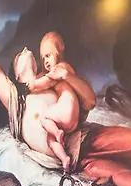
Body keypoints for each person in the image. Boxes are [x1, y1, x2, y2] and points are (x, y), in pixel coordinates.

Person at [0, 0, 131, 186]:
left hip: (84, 138)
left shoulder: (49, 80)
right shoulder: (15, 99)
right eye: (19, 55)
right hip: (74, 160)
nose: (25, 50)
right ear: (15, 74)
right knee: (130, 182)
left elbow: (89, 101)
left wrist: (68, 77)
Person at [26, 32, 88, 172]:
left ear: (59, 51)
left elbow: (46, 82)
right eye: (43, 59)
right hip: (71, 121)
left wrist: (33, 85)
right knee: (50, 139)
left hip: (67, 110)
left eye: (48, 56)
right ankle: (64, 159)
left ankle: (58, 133)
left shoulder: (62, 67)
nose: (45, 61)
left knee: (44, 118)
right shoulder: (59, 70)